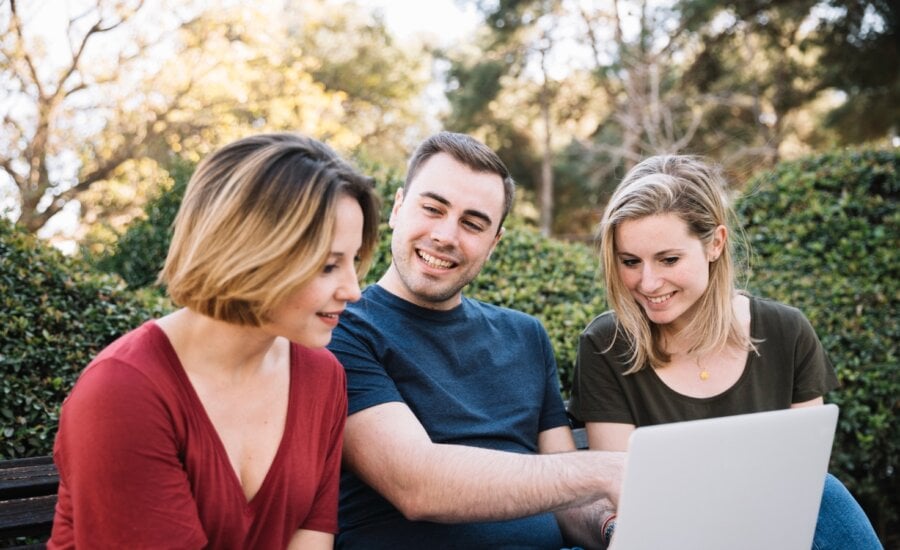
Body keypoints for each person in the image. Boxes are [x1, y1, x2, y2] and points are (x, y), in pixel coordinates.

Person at [48, 133, 380, 549]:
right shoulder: (123, 391)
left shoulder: (321, 376)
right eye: (329, 266)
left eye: (353, 261)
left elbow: (310, 537)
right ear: (251, 256)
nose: (353, 290)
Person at [568, 154, 883, 549]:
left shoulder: (787, 332)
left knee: (825, 494)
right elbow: (623, 494)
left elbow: (801, 483)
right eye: (630, 262)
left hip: (770, 532)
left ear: (715, 244)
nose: (648, 283)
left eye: (668, 259)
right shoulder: (607, 344)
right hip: (668, 536)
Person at [328, 131, 623, 550]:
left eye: (473, 224)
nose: (446, 236)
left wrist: (613, 529)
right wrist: (602, 471)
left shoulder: (525, 336)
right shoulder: (343, 329)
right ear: (397, 208)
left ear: (494, 242)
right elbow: (416, 484)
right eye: (432, 208)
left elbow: (567, 496)